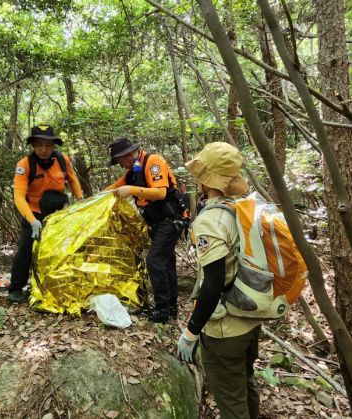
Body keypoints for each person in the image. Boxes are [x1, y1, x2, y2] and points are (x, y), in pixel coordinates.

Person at [176, 142, 261, 419]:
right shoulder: (242, 207)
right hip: (250, 319)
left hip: (225, 330)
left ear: (205, 179)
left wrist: (191, 333)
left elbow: (212, 283)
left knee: (232, 404)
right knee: (245, 387)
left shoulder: (210, 219)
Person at [104, 138, 186, 323]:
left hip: (170, 220)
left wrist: (131, 190)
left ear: (129, 154)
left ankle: (162, 308)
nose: (120, 165)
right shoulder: (131, 172)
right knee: (166, 264)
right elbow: (113, 188)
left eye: (120, 160)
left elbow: (161, 193)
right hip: (155, 222)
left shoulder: (153, 162)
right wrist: (92, 200)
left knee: (154, 261)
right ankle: (170, 308)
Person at [8, 125, 83, 303]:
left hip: (59, 211)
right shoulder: (25, 165)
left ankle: (58, 282)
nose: (44, 149)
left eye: (48, 145)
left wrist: (80, 200)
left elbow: (73, 180)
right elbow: (19, 197)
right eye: (39, 145)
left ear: (54, 146)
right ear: (33, 145)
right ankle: (16, 287)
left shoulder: (62, 160)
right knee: (27, 246)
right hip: (33, 211)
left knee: (62, 247)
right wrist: (33, 221)